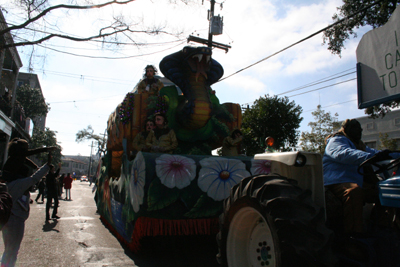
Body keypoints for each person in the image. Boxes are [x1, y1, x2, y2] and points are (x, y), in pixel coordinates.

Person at [323, 119, 397, 235]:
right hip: (337, 181)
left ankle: (383, 227)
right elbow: (343, 153)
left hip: (355, 181)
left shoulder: (359, 145)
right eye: (355, 129)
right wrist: (370, 157)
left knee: (384, 191)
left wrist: (390, 154)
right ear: (346, 130)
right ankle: (354, 234)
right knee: (353, 191)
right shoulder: (337, 140)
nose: (359, 132)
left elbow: (374, 153)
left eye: (360, 130)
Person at [1, 152, 51, 267]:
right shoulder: (19, 184)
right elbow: (35, 178)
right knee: (12, 251)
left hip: (8, 220)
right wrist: (47, 165)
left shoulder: (9, 184)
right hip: (15, 220)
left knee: (9, 249)